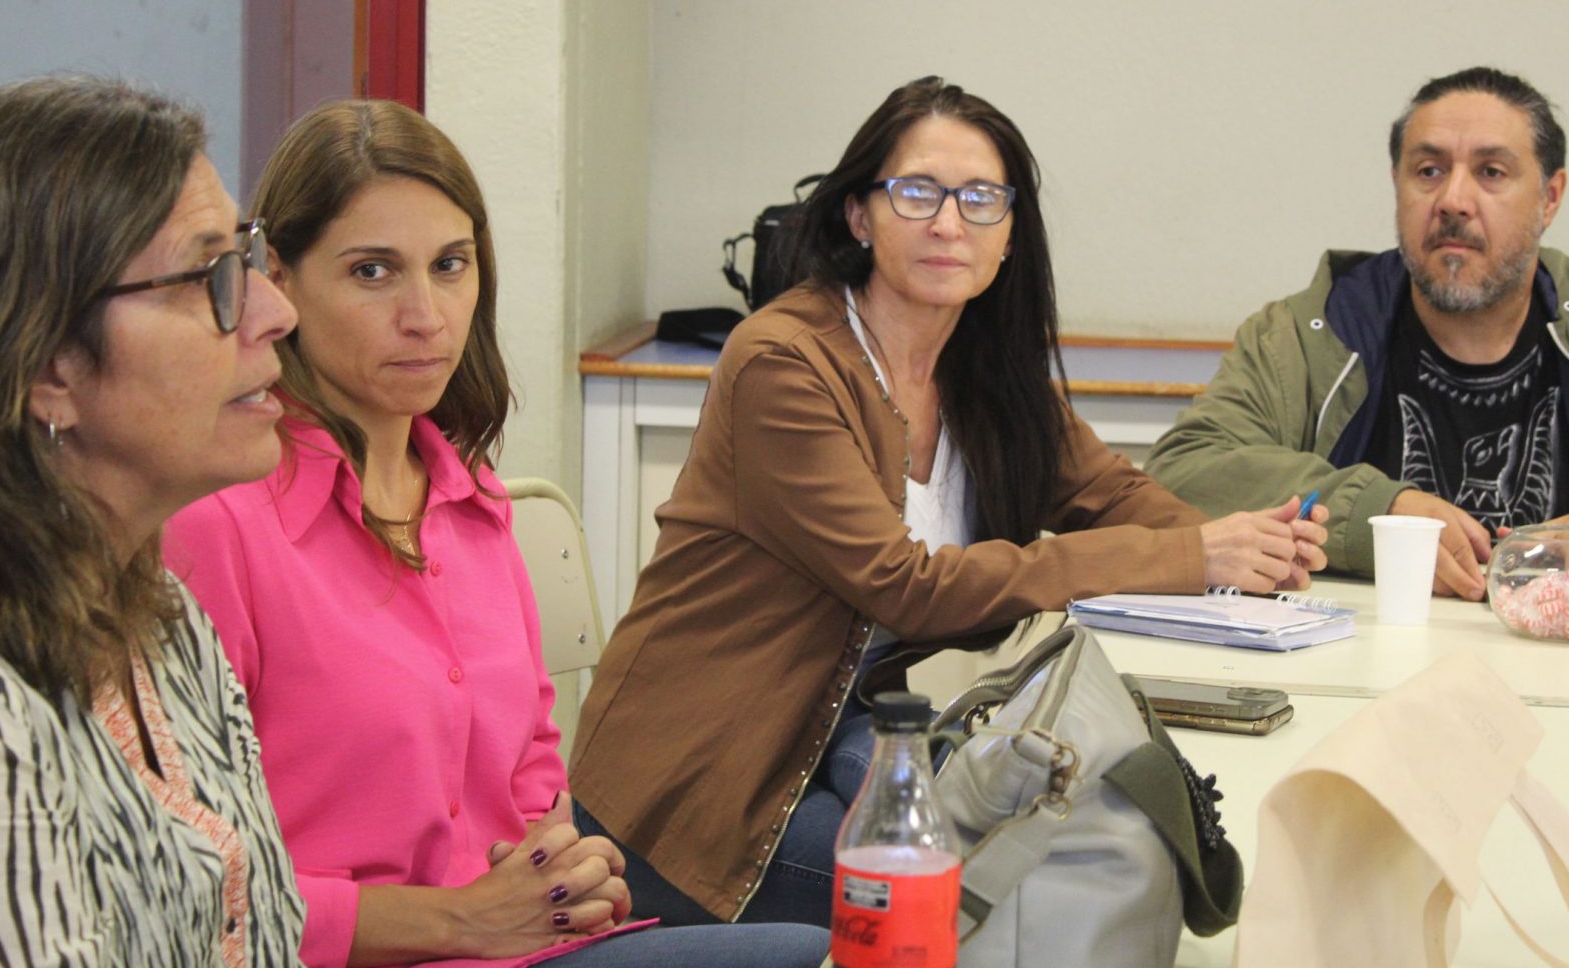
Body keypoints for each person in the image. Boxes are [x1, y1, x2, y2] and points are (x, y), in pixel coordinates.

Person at [569, 76, 1329, 927]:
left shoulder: (982, 372)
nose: (948, 222)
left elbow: (1111, 494)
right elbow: (907, 587)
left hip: (844, 729)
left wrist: (1245, 548)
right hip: (701, 781)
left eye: (980, 198)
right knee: (1000, 895)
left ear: (1009, 233)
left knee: (1064, 843)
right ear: (859, 216)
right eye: (917, 192)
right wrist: (1191, 557)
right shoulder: (783, 363)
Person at [165, 101, 828, 968]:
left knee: (837, 945)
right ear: (277, 283)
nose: (426, 315)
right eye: (372, 272)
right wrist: (460, 920)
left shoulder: (469, 496)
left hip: (523, 948)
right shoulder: (216, 521)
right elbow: (190, 887)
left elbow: (532, 772)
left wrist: (569, 868)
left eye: (450, 265)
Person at [1145, 65, 1569, 600]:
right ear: (1397, 186)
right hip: (1358, 663)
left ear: (1550, 197)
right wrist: (1381, 516)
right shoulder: (1309, 331)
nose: (1453, 200)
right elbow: (1185, 472)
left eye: (1491, 173)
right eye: (1428, 170)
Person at [0, 76, 306, 964]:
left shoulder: (166, 620)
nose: (276, 312)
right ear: (48, 368)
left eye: (248, 258)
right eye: (211, 277)